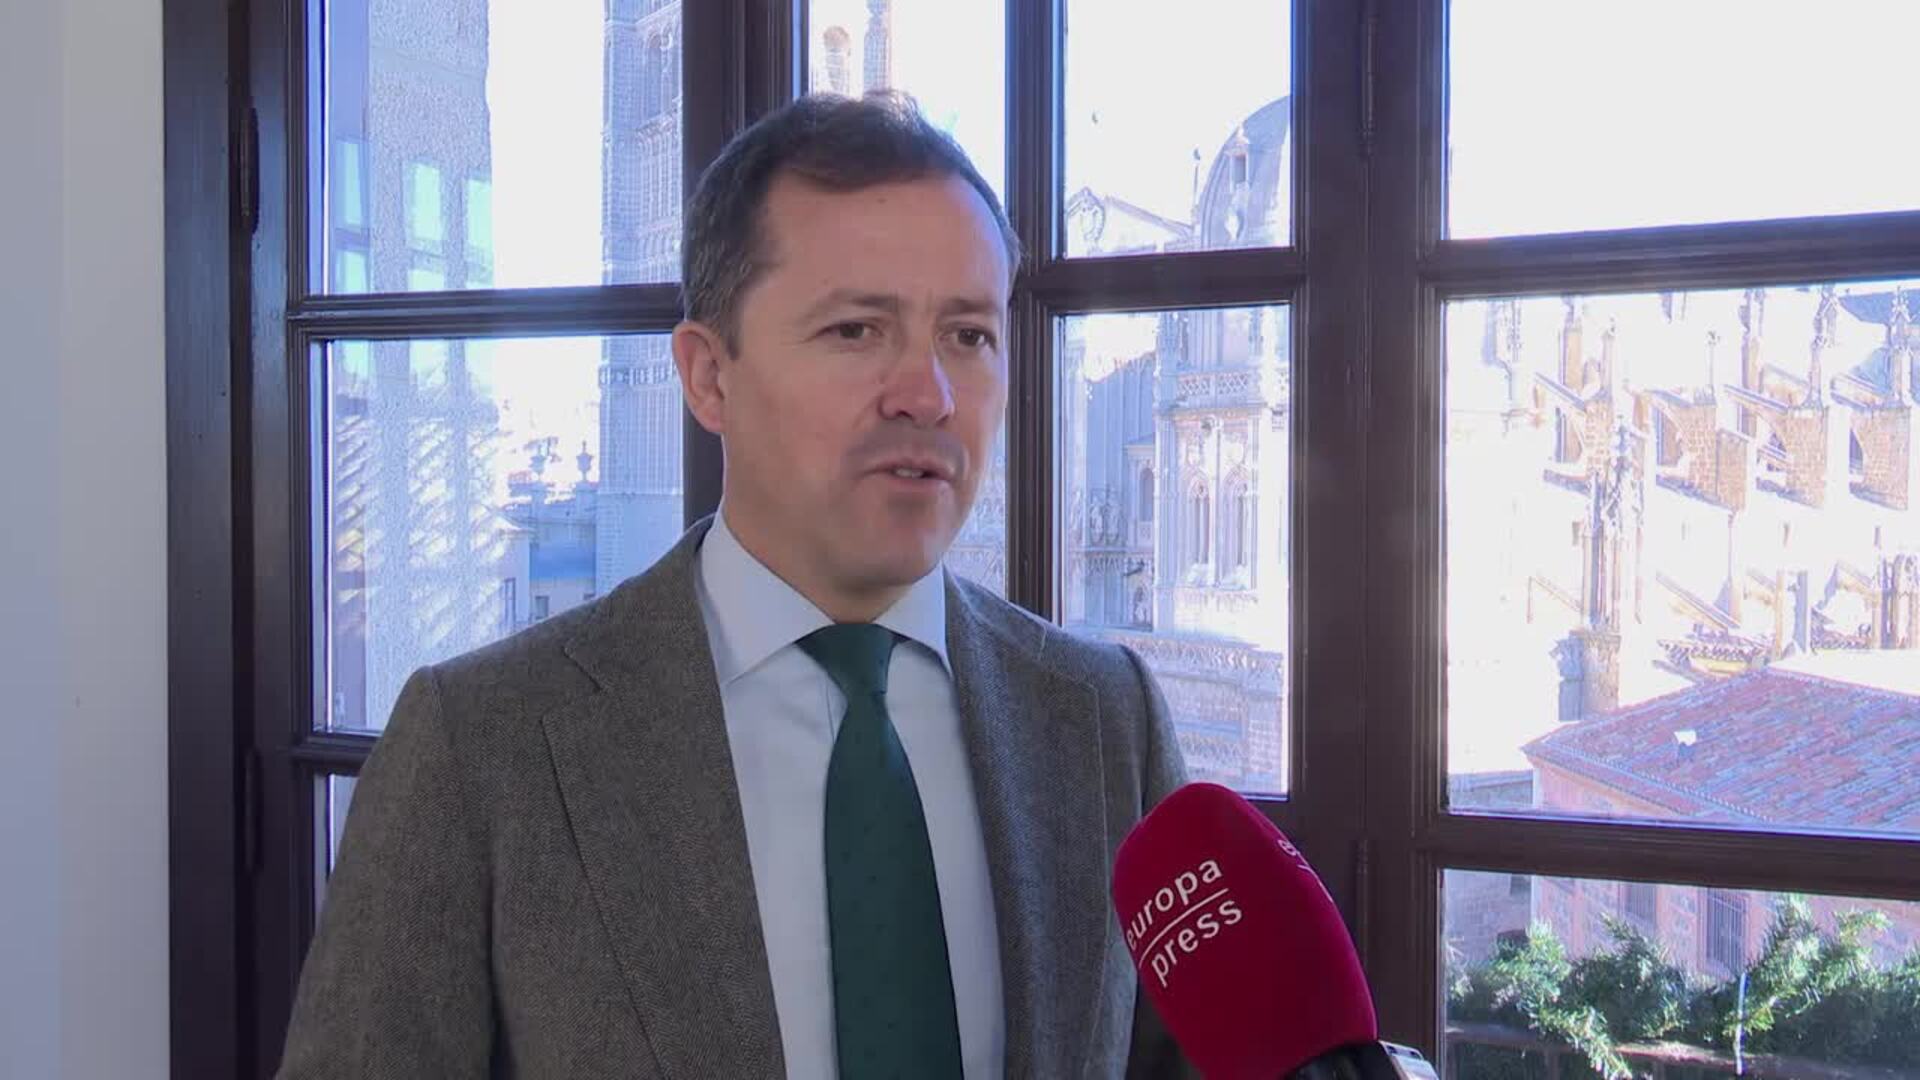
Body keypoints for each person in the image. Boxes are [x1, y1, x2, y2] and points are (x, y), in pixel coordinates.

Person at [278, 91, 1192, 1080]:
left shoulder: (1105, 718)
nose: (928, 395)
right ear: (709, 377)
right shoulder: (481, 747)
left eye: (968, 336)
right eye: (857, 330)